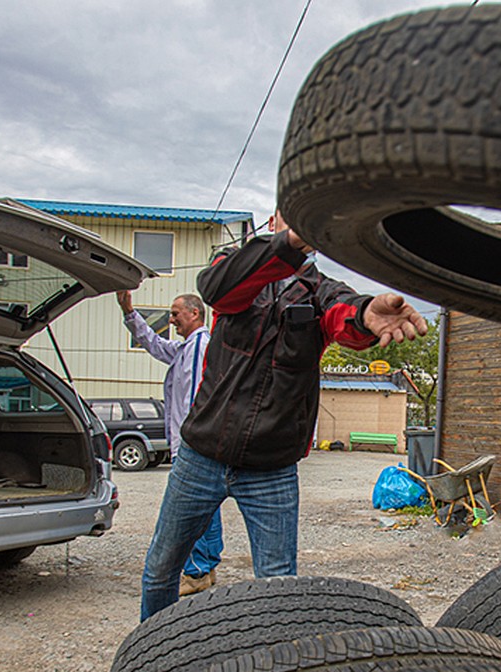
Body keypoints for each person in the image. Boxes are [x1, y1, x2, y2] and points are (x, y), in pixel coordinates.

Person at [138, 208, 428, 619]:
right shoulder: (236, 269)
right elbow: (216, 290)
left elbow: (346, 316)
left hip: (271, 469)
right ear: (274, 222)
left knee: (279, 590)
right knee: (160, 569)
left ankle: (276, 671)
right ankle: (150, 659)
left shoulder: (321, 292)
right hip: (200, 455)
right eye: (289, 214)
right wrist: (288, 244)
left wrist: (366, 315)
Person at [116, 290, 223, 600]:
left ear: (194, 314)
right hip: (193, 444)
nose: (172, 319)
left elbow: (194, 400)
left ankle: (197, 572)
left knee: (189, 511)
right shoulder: (187, 347)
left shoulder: (199, 347)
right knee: (208, 510)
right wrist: (129, 312)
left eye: (176, 313)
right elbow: (155, 344)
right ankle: (206, 567)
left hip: (192, 445)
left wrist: (190, 444)